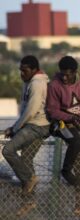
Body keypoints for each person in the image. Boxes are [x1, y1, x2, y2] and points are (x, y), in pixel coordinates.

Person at [46, 55, 80, 218]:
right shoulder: (54, 84)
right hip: (60, 123)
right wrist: (70, 118)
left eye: (68, 74)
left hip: (76, 124)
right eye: (62, 73)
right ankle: (66, 171)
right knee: (75, 141)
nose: (64, 77)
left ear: (75, 72)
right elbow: (52, 110)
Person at [2, 55, 50, 215]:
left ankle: (29, 179)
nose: (22, 74)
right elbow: (24, 109)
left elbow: (31, 110)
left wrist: (16, 128)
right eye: (20, 71)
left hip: (37, 125)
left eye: (25, 70)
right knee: (26, 159)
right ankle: (30, 201)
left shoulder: (37, 83)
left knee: (8, 150)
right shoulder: (29, 82)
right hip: (34, 125)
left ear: (34, 70)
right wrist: (15, 126)